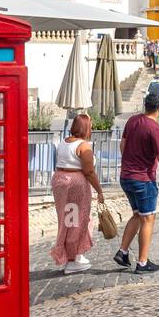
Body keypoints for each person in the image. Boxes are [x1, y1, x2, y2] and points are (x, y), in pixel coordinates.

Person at [115, 94, 159, 273]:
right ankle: (143, 262)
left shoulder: (133, 120)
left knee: (137, 215)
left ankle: (123, 251)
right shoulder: (155, 129)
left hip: (126, 176)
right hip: (143, 179)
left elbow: (123, 145)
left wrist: (130, 161)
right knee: (148, 219)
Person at [51, 112, 104, 274]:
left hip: (60, 181)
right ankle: (72, 260)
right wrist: (100, 191)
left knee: (67, 219)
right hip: (76, 184)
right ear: (86, 127)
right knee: (78, 220)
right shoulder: (84, 146)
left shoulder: (63, 142)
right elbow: (89, 171)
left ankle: (72, 255)